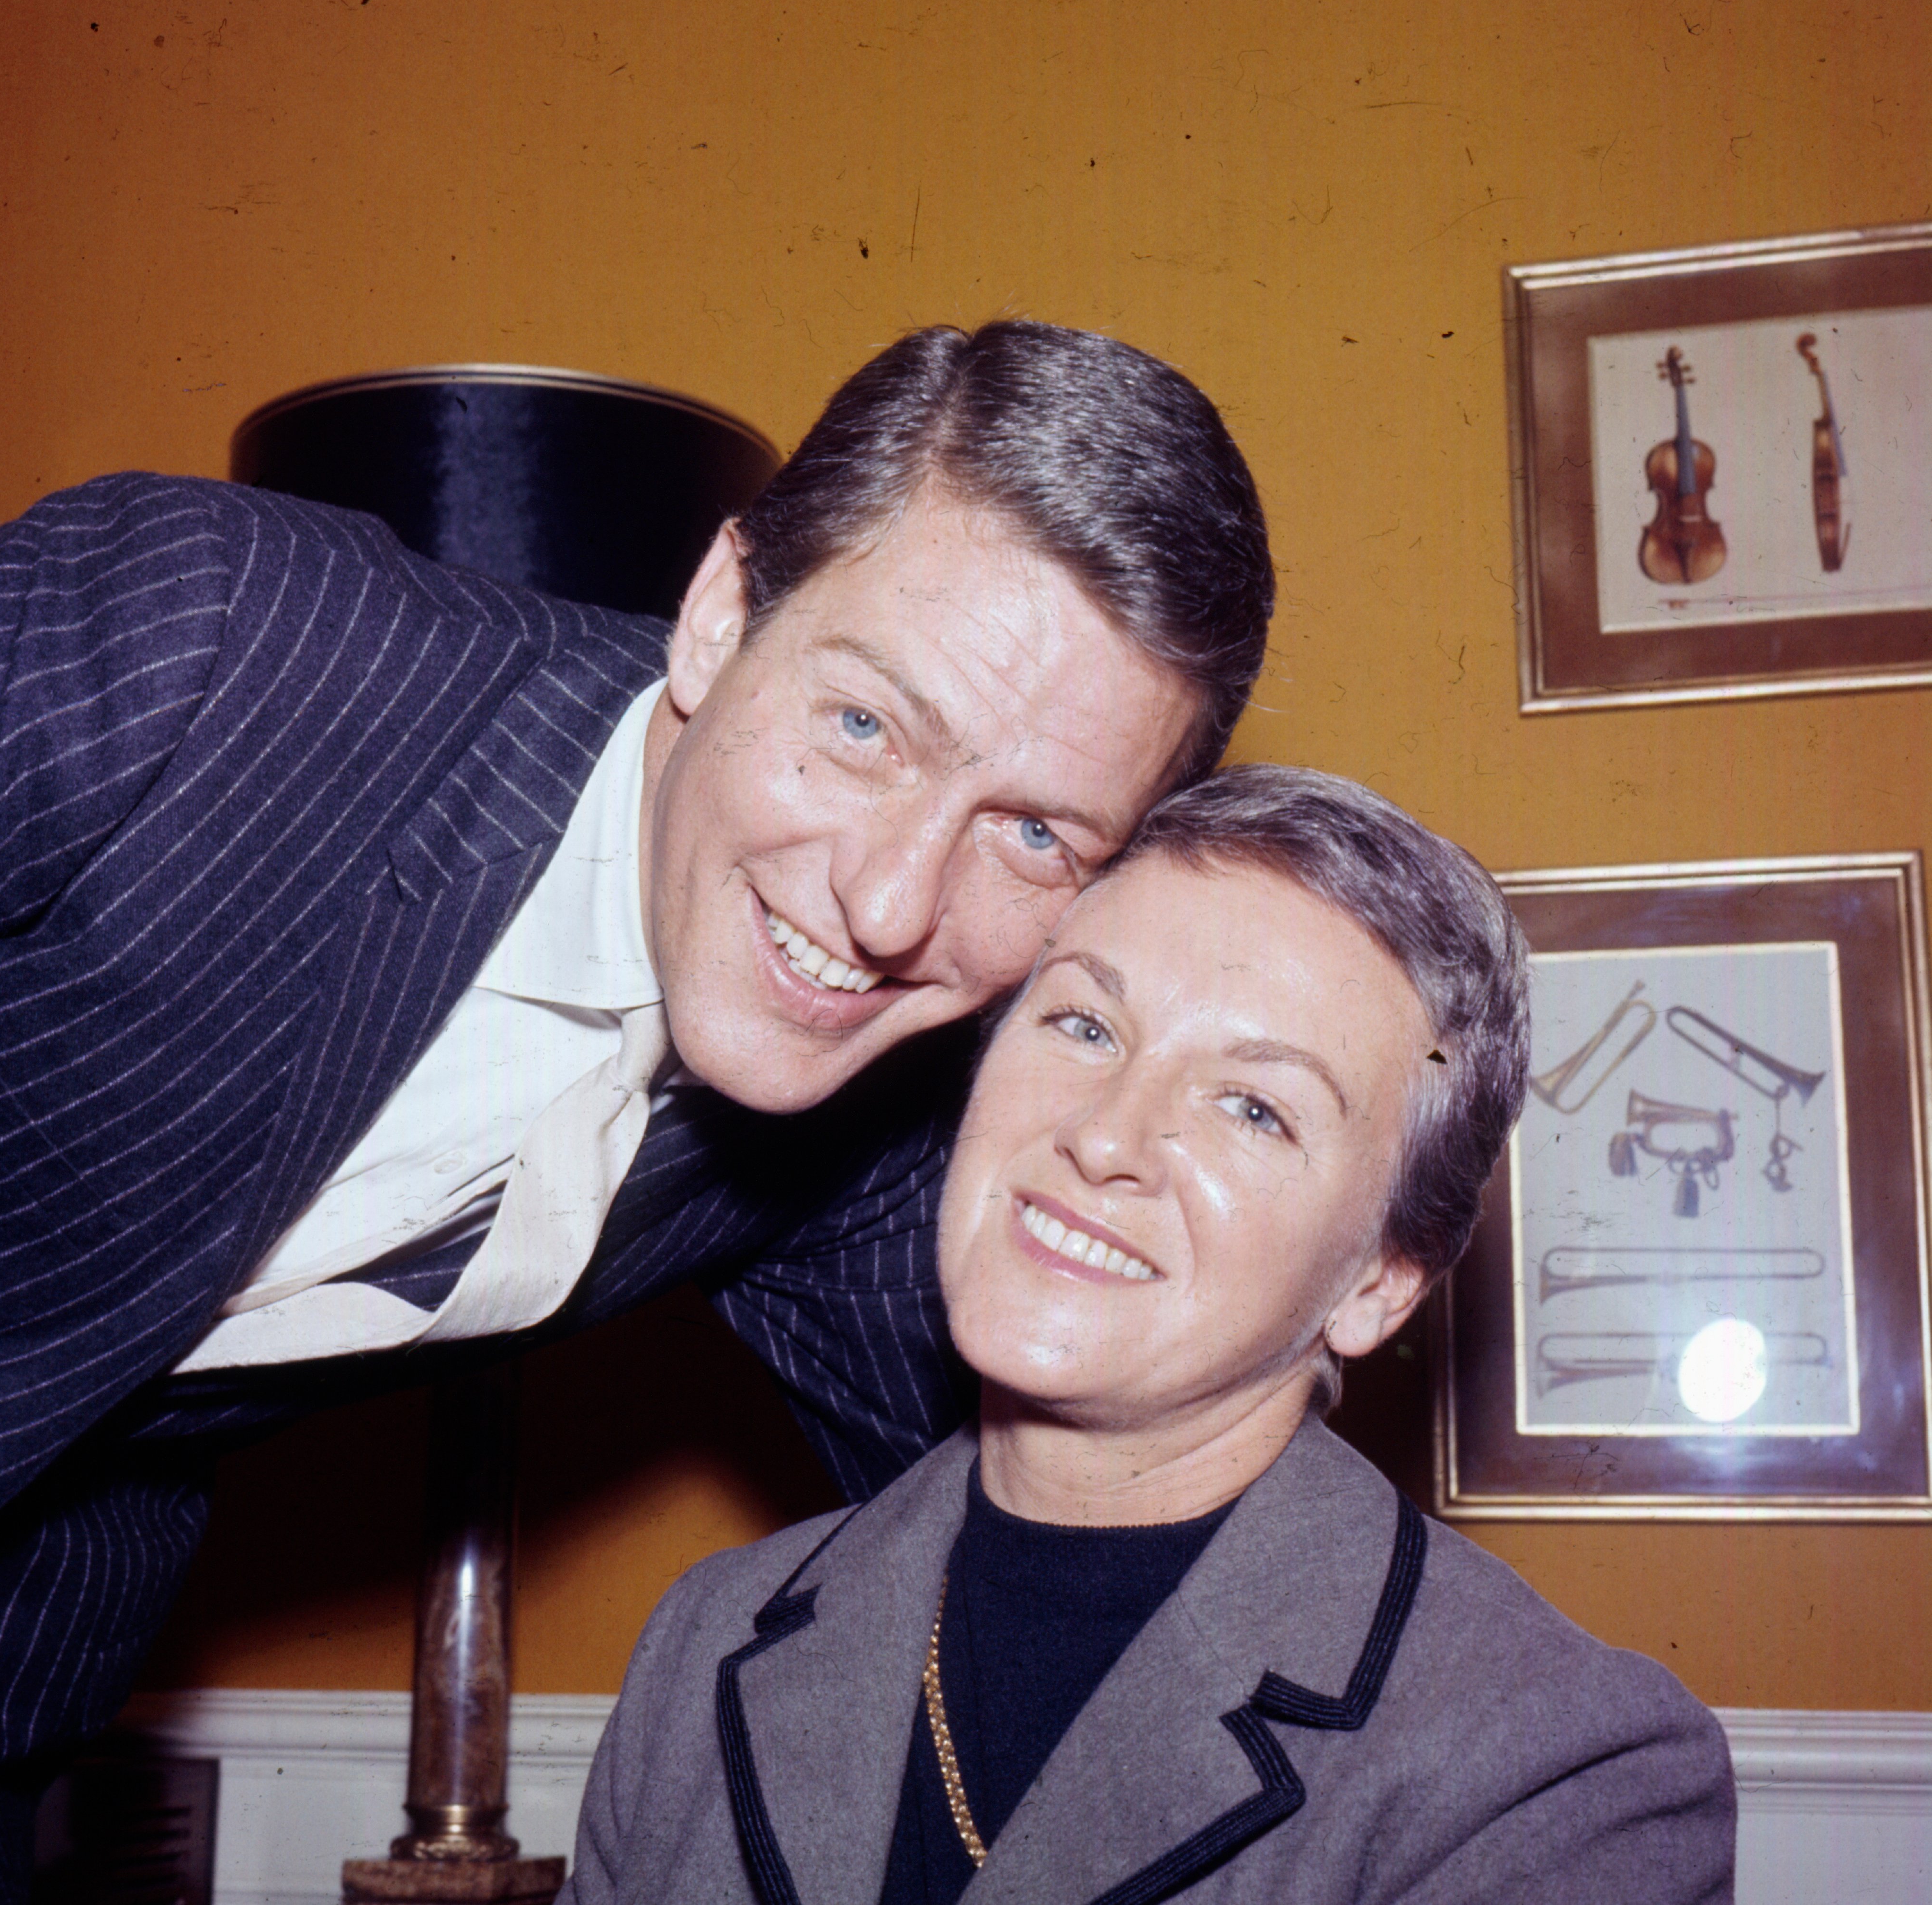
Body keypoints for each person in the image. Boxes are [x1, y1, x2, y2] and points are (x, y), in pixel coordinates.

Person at [0, 321, 1275, 1897]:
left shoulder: (860, 1139)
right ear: (714, 617)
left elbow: (1046, 1526)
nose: (893, 903)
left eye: (1035, 834)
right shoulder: (220, 643)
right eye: (864, 726)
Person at [566, 765, 1737, 1905]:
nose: (1107, 1136)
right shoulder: (709, 1639)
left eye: (1254, 1109)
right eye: (1083, 1024)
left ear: (1378, 1284)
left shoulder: (1554, 1775)